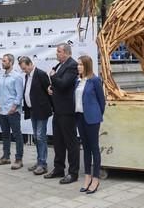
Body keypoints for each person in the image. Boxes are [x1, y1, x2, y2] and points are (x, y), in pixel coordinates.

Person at [44, 43, 80, 184]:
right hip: (58, 109)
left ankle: (73, 173)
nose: (56, 54)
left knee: (70, 142)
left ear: (66, 52)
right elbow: (58, 84)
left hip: (67, 110)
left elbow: (65, 84)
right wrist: (50, 87)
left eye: (59, 51)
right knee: (58, 141)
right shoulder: (59, 65)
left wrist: (52, 78)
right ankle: (59, 169)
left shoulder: (72, 65)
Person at [75, 55, 105, 194]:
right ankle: (87, 176)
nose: (78, 67)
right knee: (85, 148)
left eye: (81, 64)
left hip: (92, 119)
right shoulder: (78, 81)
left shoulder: (95, 80)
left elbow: (101, 102)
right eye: (78, 64)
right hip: (79, 117)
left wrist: (97, 115)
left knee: (94, 148)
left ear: (87, 65)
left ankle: (96, 178)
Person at [18, 55, 53, 175]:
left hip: (42, 111)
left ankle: (43, 164)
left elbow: (49, 92)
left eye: (25, 68)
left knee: (40, 136)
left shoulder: (41, 74)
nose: (24, 70)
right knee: (36, 137)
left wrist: (51, 108)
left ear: (30, 64)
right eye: (22, 69)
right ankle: (39, 161)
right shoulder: (27, 76)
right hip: (32, 110)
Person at [0, 53, 24, 170]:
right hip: (1, 110)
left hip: (12, 111)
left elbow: (19, 94)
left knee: (17, 135)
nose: (2, 62)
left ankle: (19, 159)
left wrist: (14, 107)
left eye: (5, 61)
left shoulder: (17, 77)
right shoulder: (2, 77)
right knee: (5, 135)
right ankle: (6, 157)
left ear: (11, 62)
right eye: (2, 61)